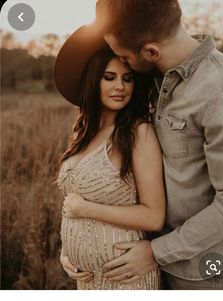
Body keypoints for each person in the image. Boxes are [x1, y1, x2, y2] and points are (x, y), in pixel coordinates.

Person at [62, 0, 223, 290]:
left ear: (151, 52)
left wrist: (156, 253)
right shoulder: (152, 81)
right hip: (143, 265)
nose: (124, 73)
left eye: (125, 59)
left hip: (204, 275)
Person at [54, 25, 166, 290]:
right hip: (87, 281)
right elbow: (72, 204)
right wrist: (66, 251)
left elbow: (154, 216)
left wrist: (86, 209)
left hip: (126, 277)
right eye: (109, 77)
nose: (120, 86)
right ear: (94, 81)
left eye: (127, 79)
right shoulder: (83, 130)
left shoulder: (138, 132)